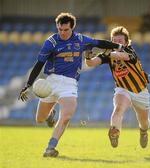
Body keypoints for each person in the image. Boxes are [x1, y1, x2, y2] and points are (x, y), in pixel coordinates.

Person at [18, 12, 123, 157]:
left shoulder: (80, 39)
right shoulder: (51, 42)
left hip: (69, 84)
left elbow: (99, 42)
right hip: (51, 82)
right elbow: (39, 64)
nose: (62, 32)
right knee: (40, 119)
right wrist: (28, 84)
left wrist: (118, 46)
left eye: (66, 30)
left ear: (72, 28)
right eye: (60, 29)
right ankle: (50, 116)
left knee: (66, 115)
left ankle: (50, 148)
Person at [85, 26, 150, 148]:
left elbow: (123, 56)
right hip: (122, 89)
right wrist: (88, 56)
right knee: (118, 108)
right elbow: (91, 63)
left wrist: (107, 50)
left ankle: (143, 131)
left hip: (141, 91)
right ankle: (114, 132)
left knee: (144, 122)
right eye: (114, 41)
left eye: (120, 41)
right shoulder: (109, 54)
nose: (117, 43)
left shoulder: (130, 51)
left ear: (126, 42)